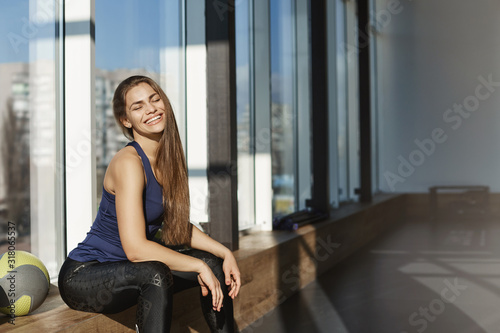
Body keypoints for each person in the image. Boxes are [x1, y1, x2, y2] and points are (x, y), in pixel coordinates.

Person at [58, 75, 241, 333]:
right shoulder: (128, 163)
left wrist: (224, 253)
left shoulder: (168, 159)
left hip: (131, 270)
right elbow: (135, 249)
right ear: (126, 120)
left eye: (155, 99)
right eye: (138, 106)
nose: (151, 109)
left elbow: (177, 226)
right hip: (86, 275)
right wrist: (196, 265)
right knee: (156, 273)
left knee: (212, 263)